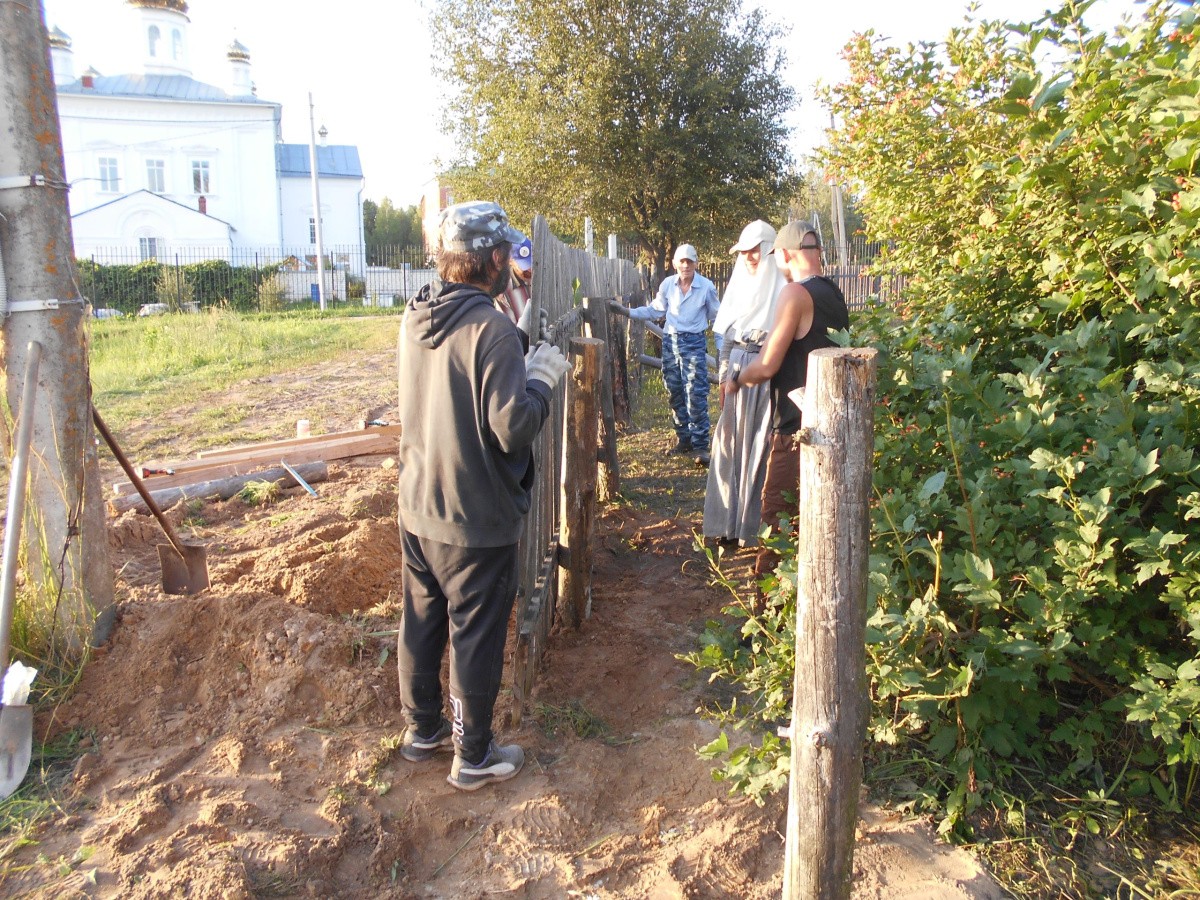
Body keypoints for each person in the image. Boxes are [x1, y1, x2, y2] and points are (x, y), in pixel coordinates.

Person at [395, 200, 572, 791]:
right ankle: (473, 756)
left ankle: (422, 731)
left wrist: (512, 354)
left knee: (422, 621)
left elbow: (456, 379)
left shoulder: (417, 315)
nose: (510, 265)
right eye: (506, 254)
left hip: (419, 504)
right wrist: (539, 381)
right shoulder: (490, 328)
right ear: (493, 258)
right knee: (475, 631)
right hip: (472, 513)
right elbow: (511, 427)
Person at [722, 221, 849, 608]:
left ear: (785, 255)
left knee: (777, 524)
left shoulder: (794, 293)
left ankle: (764, 619)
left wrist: (736, 379)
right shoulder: (833, 294)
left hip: (796, 432)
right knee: (815, 526)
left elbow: (767, 365)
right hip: (833, 427)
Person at [703, 220, 788, 546]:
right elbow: (727, 340)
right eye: (744, 252)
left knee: (759, 446)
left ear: (768, 250)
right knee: (729, 446)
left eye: (755, 250)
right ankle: (725, 525)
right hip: (737, 375)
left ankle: (751, 530)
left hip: (766, 374)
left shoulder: (785, 290)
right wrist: (724, 378)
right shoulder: (739, 285)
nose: (749, 257)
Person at [627, 243, 720, 465]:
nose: (686, 265)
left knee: (695, 392)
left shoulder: (706, 287)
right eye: (682, 261)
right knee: (674, 391)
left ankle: (700, 445)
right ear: (674, 263)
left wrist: (720, 349)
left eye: (690, 261)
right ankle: (684, 439)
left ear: (696, 263)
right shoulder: (668, 284)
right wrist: (628, 312)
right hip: (671, 342)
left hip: (694, 342)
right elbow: (655, 309)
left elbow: (717, 318)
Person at [496, 233, 533, 325]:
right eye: (525, 267)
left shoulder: (546, 278)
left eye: (533, 263)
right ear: (511, 262)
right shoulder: (503, 291)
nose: (530, 269)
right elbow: (507, 328)